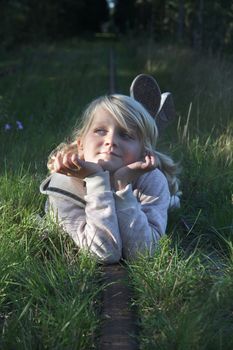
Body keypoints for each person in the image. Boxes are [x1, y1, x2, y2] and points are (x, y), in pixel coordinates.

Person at [40, 94, 180, 264]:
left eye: (126, 134)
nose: (111, 140)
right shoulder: (63, 185)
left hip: (142, 179)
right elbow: (104, 252)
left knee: (170, 201)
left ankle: (172, 199)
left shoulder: (151, 180)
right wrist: (96, 180)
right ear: (81, 144)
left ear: (143, 152)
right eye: (100, 131)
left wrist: (122, 186)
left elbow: (144, 252)